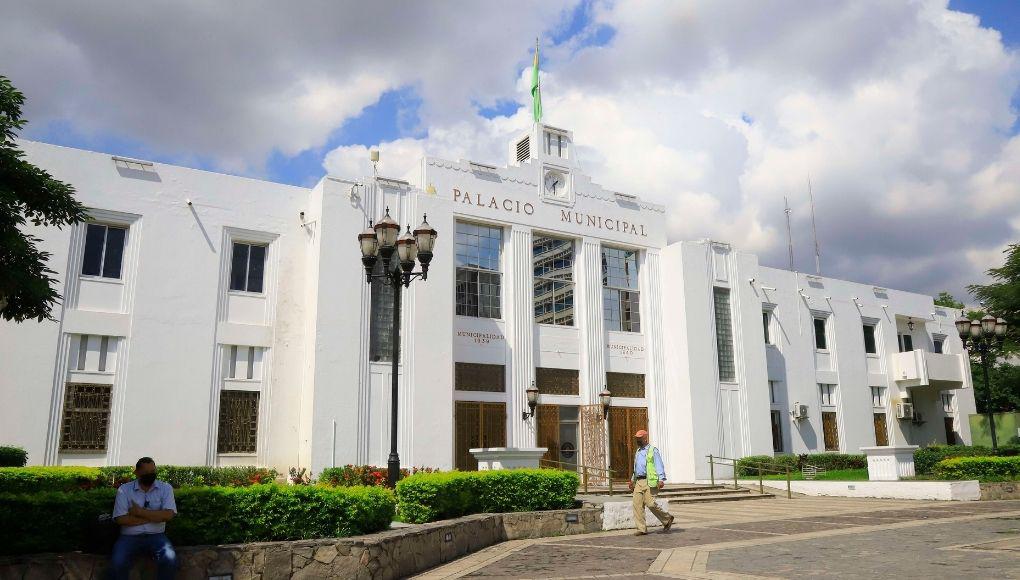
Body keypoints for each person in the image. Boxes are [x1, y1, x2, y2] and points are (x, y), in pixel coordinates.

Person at [109, 457, 179, 579]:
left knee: (170, 559)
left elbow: (169, 515)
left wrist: (139, 512)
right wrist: (156, 516)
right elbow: (121, 519)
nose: (150, 475)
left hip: (157, 536)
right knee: (117, 561)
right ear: (137, 473)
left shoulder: (165, 488)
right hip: (129, 537)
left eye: (152, 471)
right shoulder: (124, 490)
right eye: (146, 472)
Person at [627, 429, 674, 535]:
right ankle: (641, 529)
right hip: (639, 481)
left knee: (651, 504)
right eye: (636, 438)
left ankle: (667, 519)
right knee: (637, 505)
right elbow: (636, 468)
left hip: (650, 481)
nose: (637, 440)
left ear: (645, 438)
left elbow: (659, 464)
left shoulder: (653, 450)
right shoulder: (638, 451)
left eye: (639, 438)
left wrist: (661, 479)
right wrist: (632, 480)